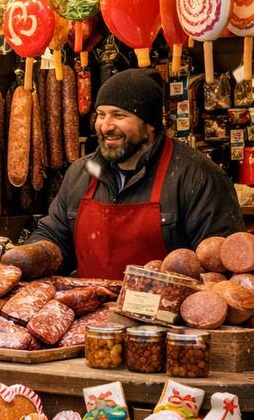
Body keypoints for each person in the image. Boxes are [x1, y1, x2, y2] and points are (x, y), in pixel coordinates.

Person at [29, 69, 242, 276]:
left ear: (149, 124)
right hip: (92, 307)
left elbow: (223, 265)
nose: (105, 126)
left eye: (119, 115)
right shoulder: (82, 172)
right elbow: (54, 234)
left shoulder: (198, 176)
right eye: (101, 115)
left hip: (168, 310)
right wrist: (29, 255)